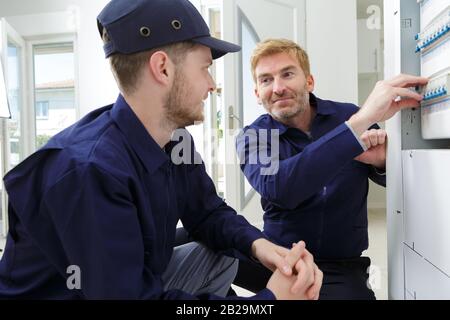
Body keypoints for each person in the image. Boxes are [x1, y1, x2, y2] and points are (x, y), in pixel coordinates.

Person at [0, 1, 323, 300]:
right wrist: (268, 301)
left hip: (125, 281)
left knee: (218, 251)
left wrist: (260, 246)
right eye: (204, 68)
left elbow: (207, 212)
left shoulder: (174, 140)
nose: (212, 84)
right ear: (163, 68)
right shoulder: (91, 171)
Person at [234, 39, 428, 299]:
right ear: (257, 93)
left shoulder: (347, 116)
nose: (278, 88)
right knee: (203, 242)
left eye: (288, 74)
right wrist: (358, 126)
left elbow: (403, 182)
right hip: (276, 259)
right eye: (266, 80)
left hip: (339, 267)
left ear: (309, 82)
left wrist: (383, 162)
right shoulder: (255, 136)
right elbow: (279, 187)